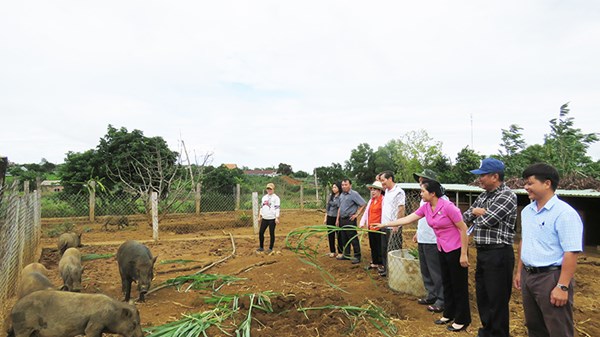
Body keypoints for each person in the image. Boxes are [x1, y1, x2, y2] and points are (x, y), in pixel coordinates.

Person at [373, 179, 471, 332]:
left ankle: (462, 319)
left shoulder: (449, 207)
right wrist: (385, 224)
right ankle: (449, 314)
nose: (420, 194)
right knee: (447, 283)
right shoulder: (426, 207)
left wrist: (464, 254)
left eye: (423, 191)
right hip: (442, 248)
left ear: (432, 193)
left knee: (458, 285)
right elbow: (408, 218)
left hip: (456, 249)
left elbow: (463, 229)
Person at [514, 163, 583, 337]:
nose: (526, 187)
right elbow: (525, 241)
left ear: (547, 183)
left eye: (530, 183)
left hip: (551, 278)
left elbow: (571, 252)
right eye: (525, 183)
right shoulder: (527, 211)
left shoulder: (564, 213)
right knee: (534, 327)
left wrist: (562, 286)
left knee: (558, 329)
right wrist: (519, 272)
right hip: (529, 276)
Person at [463, 158, 517, 337]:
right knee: (483, 296)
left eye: (483, 176)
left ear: (495, 176)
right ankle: (486, 331)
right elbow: (465, 216)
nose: (480, 179)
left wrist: (478, 214)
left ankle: (499, 333)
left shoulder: (507, 195)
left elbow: (487, 221)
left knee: (497, 299)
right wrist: (476, 212)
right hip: (484, 252)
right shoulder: (484, 195)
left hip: (499, 253)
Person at [412, 170, 445, 314]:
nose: (420, 182)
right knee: (425, 270)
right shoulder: (424, 198)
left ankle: (442, 299)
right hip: (423, 238)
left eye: (422, 180)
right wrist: (418, 232)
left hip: (433, 240)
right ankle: (431, 295)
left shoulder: (442, 201)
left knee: (436, 271)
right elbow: (422, 218)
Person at [378, 171, 405, 277]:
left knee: (393, 250)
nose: (382, 183)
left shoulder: (399, 191)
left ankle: (395, 272)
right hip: (384, 225)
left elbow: (401, 208)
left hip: (393, 227)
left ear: (390, 179)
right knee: (384, 249)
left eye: (383, 180)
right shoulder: (387, 192)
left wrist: (396, 224)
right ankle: (387, 270)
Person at [336, 178, 366, 264]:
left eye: (346, 185)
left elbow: (363, 204)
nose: (344, 186)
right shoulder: (342, 195)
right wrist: (338, 219)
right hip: (342, 219)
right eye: (342, 185)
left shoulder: (354, 194)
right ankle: (346, 254)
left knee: (353, 238)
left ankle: (357, 256)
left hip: (350, 220)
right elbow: (340, 207)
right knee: (344, 237)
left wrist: (357, 214)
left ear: (350, 185)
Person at [359, 181, 385, 270]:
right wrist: (362, 223)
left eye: (375, 190)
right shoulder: (371, 201)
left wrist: (383, 225)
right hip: (371, 227)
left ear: (380, 191)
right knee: (373, 245)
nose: (373, 192)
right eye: (372, 190)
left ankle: (381, 263)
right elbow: (366, 213)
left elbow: (385, 214)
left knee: (379, 246)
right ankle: (374, 262)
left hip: (379, 228)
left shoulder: (383, 200)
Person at [257, 183, 280, 253]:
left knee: (271, 233)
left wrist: (277, 217)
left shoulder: (276, 198)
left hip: (272, 219)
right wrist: (259, 216)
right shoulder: (264, 197)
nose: (269, 190)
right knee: (261, 232)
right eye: (268, 189)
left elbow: (277, 208)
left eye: (270, 189)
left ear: (273, 189)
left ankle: (270, 248)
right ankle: (261, 247)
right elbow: (261, 207)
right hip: (265, 218)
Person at [323, 182, 342, 258]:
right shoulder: (331, 196)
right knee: (330, 234)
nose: (333, 189)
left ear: (339, 188)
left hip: (336, 217)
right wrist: (325, 217)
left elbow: (339, 209)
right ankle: (332, 251)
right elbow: (327, 207)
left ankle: (340, 251)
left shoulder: (341, 197)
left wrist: (337, 219)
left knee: (339, 235)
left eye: (335, 187)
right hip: (330, 217)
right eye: (333, 187)